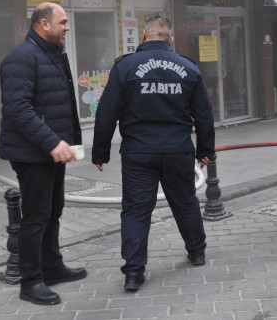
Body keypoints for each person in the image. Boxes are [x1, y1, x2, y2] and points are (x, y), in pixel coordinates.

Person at [92, 15, 215, 291]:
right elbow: (204, 114)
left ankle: (134, 272)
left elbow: (107, 112)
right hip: (177, 150)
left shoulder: (125, 67)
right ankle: (197, 251)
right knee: (185, 202)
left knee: (136, 211)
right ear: (170, 39)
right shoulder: (189, 68)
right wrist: (205, 150)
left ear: (144, 36)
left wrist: (100, 152)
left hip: (138, 152)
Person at [0, 2, 87, 305]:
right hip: (32, 153)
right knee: (36, 217)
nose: (67, 28)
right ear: (44, 24)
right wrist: (52, 142)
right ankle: (31, 282)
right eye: (63, 22)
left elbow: (62, 103)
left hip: (52, 151)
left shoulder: (53, 54)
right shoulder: (21, 57)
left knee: (53, 210)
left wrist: (69, 142)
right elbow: (18, 109)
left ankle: (52, 267)